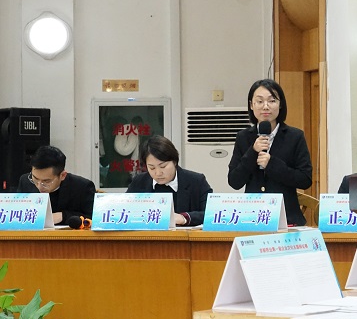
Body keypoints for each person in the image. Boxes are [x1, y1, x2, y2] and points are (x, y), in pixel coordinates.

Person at [228, 78, 312, 226]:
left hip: (286, 217)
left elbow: (305, 180)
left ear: (280, 104)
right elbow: (234, 181)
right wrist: (253, 152)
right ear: (251, 105)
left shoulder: (295, 136)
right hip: (252, 217)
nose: (265, 106)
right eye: (259, 101)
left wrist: (272, 164)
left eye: (272, 101)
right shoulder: (243, 137)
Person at [126, 135, 212, 226]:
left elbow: (211, 214)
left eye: (163, 166)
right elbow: (124, 210)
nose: (158, 173)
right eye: (152, 168)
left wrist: (184, 218)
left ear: (174, 162)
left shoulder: (196, 181)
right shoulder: (139, 182)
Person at [17, 145, 95, 226]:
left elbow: (95, 219)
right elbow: (17, 212)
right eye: (35, 178)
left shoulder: (82, 187)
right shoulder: (25, 181)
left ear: (62, 175)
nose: (39, 186)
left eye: (46, 181)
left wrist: (63, 216)